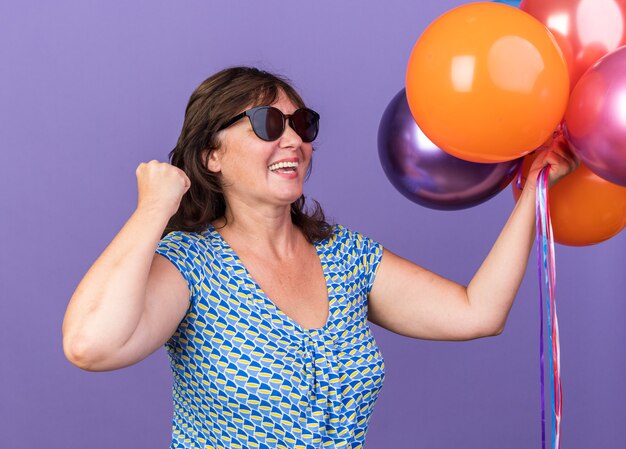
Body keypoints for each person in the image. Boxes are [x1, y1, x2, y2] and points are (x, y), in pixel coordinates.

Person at [62, 66, 579, 448]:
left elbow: (477, 312)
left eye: (301, 124)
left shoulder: (345, 256)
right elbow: (90, 346)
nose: (293, 140)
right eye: (267, 123)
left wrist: (534, 191)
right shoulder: (189, 265)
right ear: (210, 155)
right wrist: (153, 207)